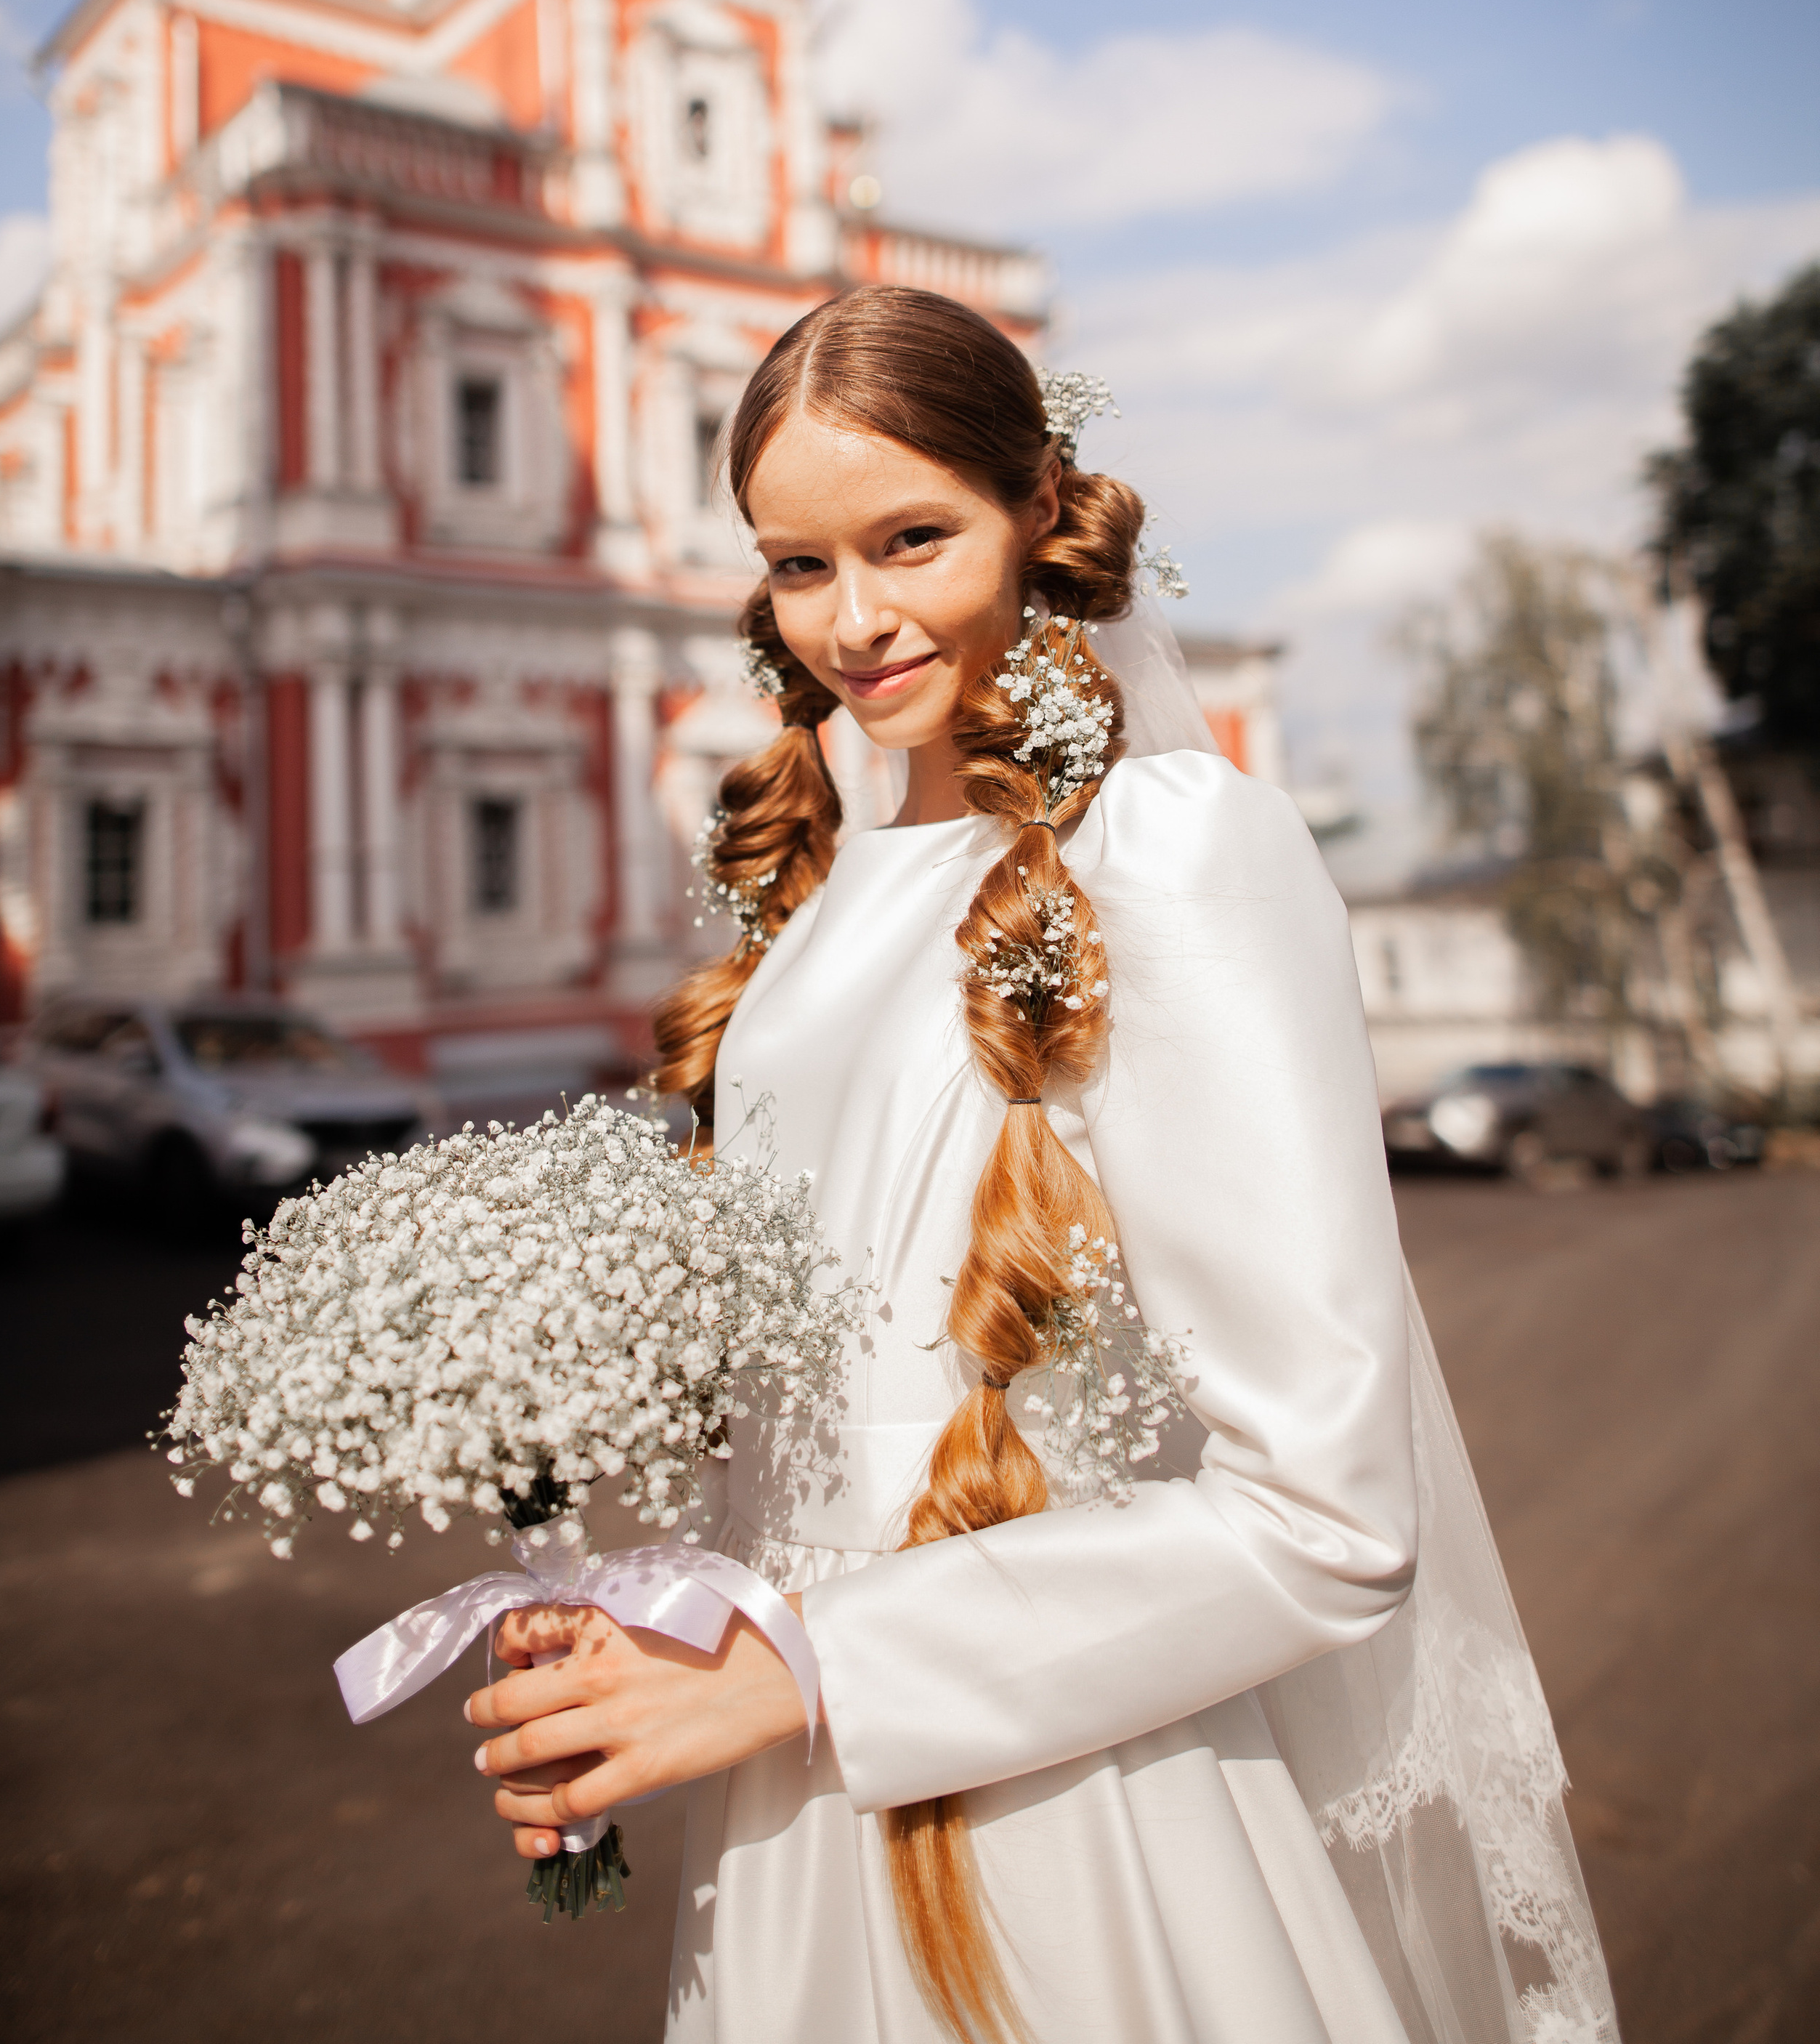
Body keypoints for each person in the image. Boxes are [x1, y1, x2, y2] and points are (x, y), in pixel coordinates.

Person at [466, 288, 1619, 2044]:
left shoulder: (1167, 855)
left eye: (910, 539)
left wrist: (812, 1673)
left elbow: (1325, 1515)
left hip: (1063, 1807)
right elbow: (831, 1388)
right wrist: (650, 1654)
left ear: (1034, 511)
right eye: (795, 566)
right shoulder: (825, 882)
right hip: (789, 1820)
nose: (851, 622)